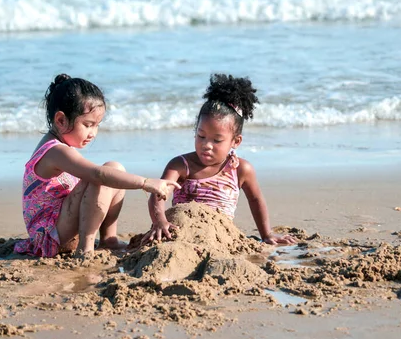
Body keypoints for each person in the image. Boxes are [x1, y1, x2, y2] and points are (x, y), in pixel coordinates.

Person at [15, 74, 180, 257]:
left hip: (61, 226)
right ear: (61, 120)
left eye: (97, 125)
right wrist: (145, 182)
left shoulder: (59, 146)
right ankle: (85, 248)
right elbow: (97, 175)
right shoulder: (56, 152)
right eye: (88, 125)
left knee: (114, 167)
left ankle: (108, 239)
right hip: (49, 236)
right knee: (102, 176)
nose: (93, 133)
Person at [145, 74, 297, 245]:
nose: (206, 145)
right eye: (201, 136)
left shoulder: (240, 169)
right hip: (181, 235)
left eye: (217, 140)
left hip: (219, 238)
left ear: (235, 141)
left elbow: (255, 200)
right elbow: (159, 193)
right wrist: (160, 221)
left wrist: (266, 234)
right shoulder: (180, 165)